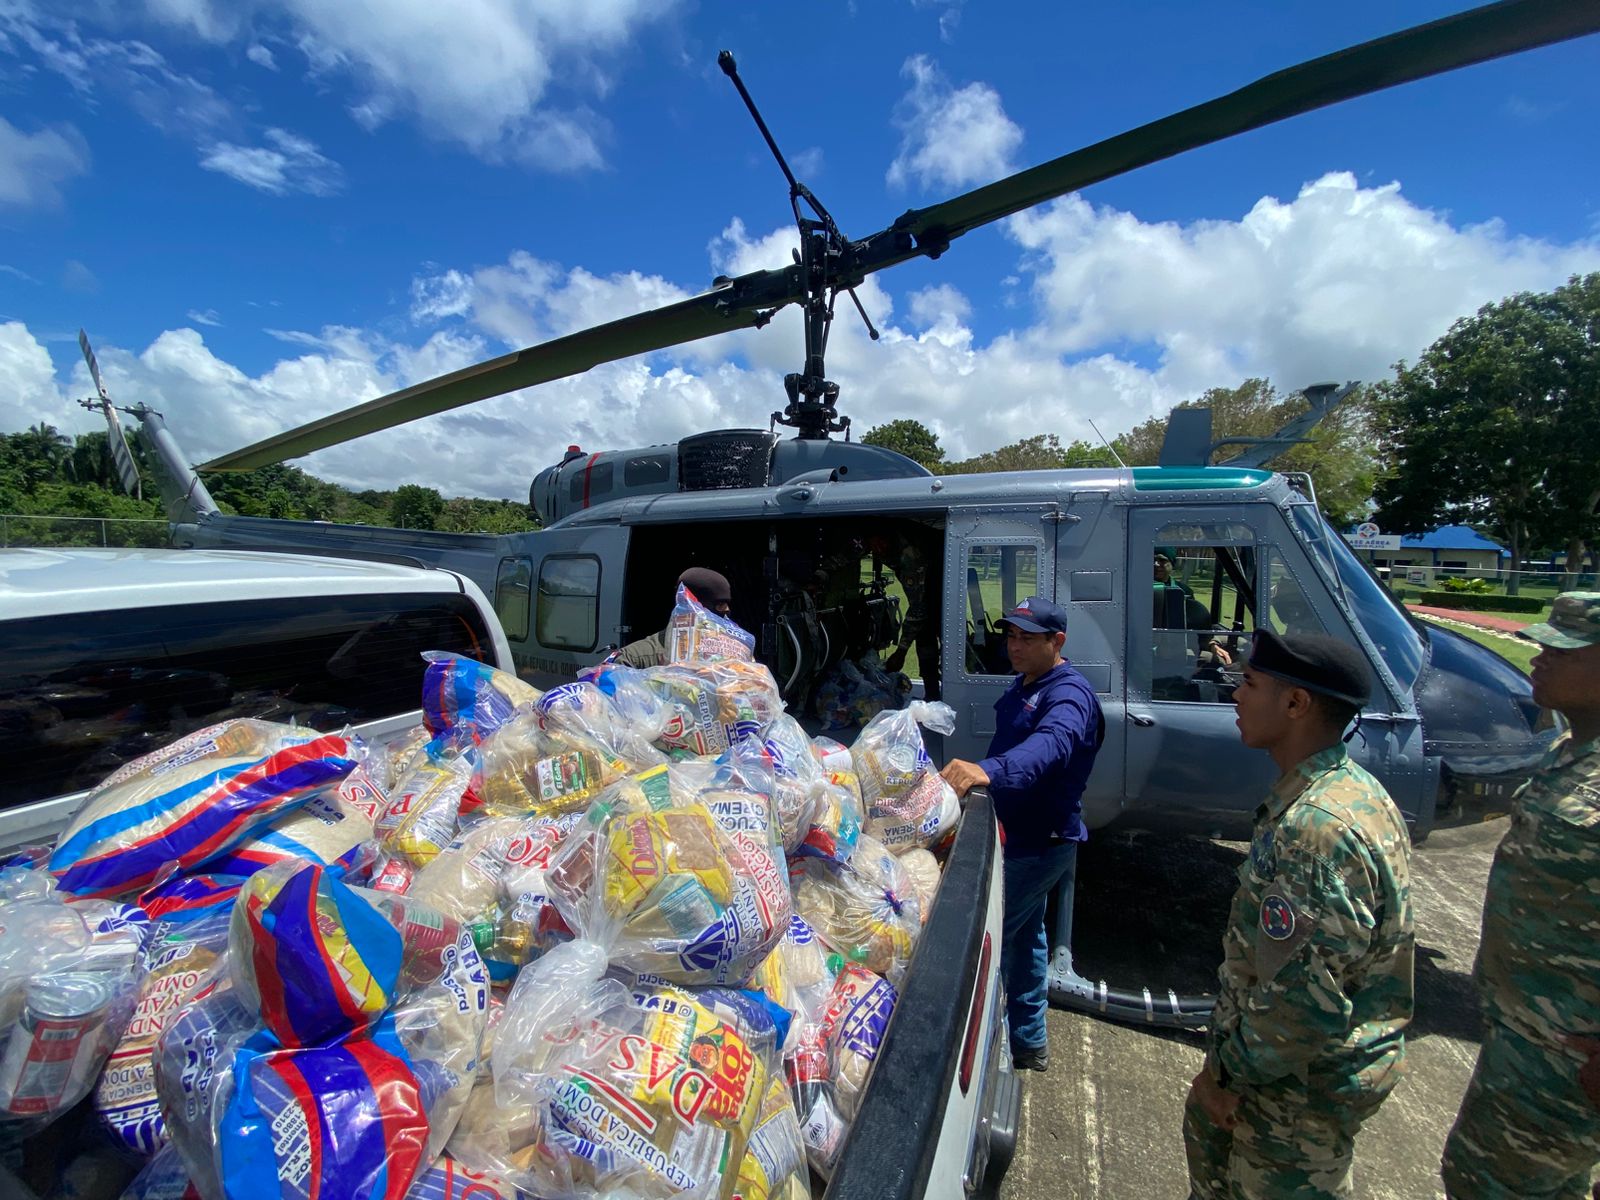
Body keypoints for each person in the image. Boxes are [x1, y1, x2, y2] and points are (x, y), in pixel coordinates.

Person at [1185, 629, 1413, 1200]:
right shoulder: (1351, 791)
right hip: (1282, 1086)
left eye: (1251, 683)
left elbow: (1301, 1008)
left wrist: (1224, 1075)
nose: (1235, 694)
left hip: (1287, 1099)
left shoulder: (1316, 830)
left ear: (1295, 704)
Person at [1440, 592, 1600, 1200]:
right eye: (1539, 644)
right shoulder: (1571, 754)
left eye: (1564, 650)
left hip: (1570, 1055)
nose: (1540, 658)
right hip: (1530, 1036)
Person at [938, 596, 1105, 1072]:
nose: (1015, 646)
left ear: (1058, 642)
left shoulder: (1069, 695)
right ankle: (1029, 1041)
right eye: (1011, 636)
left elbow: (1050, 747)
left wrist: (987, 770)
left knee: (979, 946)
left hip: (1038, 844)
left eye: (1028, 639)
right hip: (1020, 834)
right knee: (1028, 935)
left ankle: (974, 1058)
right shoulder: (1027, 682)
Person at [611, 568, 733, 668]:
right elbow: (601, 691)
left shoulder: (731, 655)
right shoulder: (635, 658)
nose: (727, 610)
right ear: (692, 606)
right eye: (720, 604)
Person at [1155, 549, 1232, 665]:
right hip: (1151, 649)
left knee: (1220, 660)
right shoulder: (1133, 588)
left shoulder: (1184, 591)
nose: (1156, 564)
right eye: (1152, 560)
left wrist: (1211, 645)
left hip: (1178, 646)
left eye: (1162, 560)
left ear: (1172, 563)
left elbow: (1195, 626)